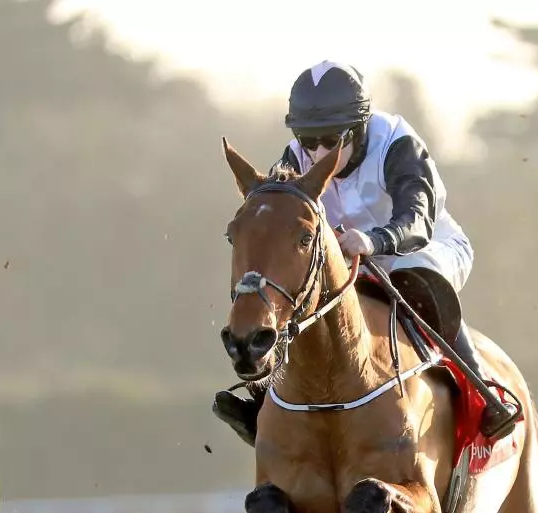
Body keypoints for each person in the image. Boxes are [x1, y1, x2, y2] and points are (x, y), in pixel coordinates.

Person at [212, 60, 521, 446]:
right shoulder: (294, 158)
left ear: (358, 128)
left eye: (330, 140)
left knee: (410, 273)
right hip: (349, 258)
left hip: (424, 248)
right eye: (309, 141)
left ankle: (482, 390)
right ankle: (266, 399)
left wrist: (371, 240)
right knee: (302, 293)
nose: (318, 151)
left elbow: (417, 221)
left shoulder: (397, 144)